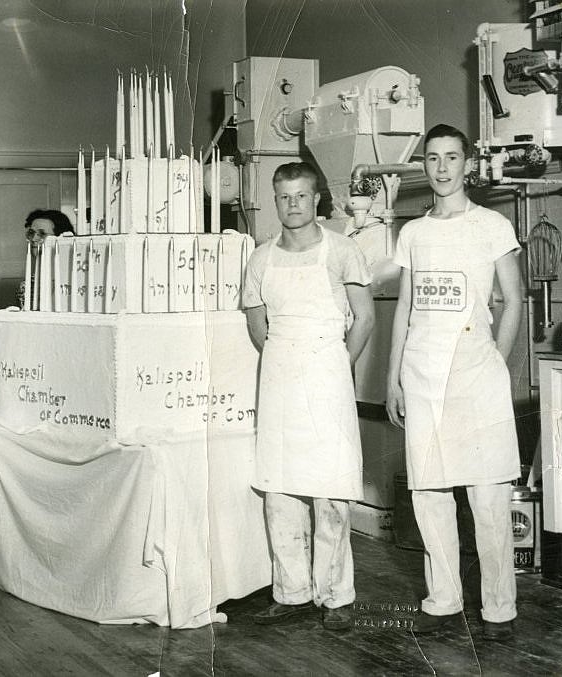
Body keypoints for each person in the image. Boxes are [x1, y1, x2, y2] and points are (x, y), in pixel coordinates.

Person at [386, 124, 522, 641]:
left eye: (451, 157)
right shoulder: (413, 234)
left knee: (487, 496)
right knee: (430, 492)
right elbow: (404, 308)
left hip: (475, 373)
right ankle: (442, 599)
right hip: (421, 374)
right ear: (424, 165)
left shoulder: (490, 225)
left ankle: (499, 609)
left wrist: (496, 362)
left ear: (468, 164)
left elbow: (513, 299)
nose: (442, 168)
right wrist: (394, 378)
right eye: (433, 158)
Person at [243, 162, 375, 630]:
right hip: (279, 372)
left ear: (317, 198)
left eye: (301, 196)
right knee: (279, 488)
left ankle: (336, 597)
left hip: (328, 371)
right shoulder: (259, 258)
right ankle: (292, 592)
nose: (293, 204)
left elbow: (364, 319)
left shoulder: (343, 250)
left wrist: (338, 361)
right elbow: (258, 327)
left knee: (331, 489)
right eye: (284, 197)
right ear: (275, 200)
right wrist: (287, 355)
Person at [18, 208, 74, 308]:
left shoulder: (73, 277)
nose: (34, 239)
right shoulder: (28, 285)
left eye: (42, 234)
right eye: (31, 233)